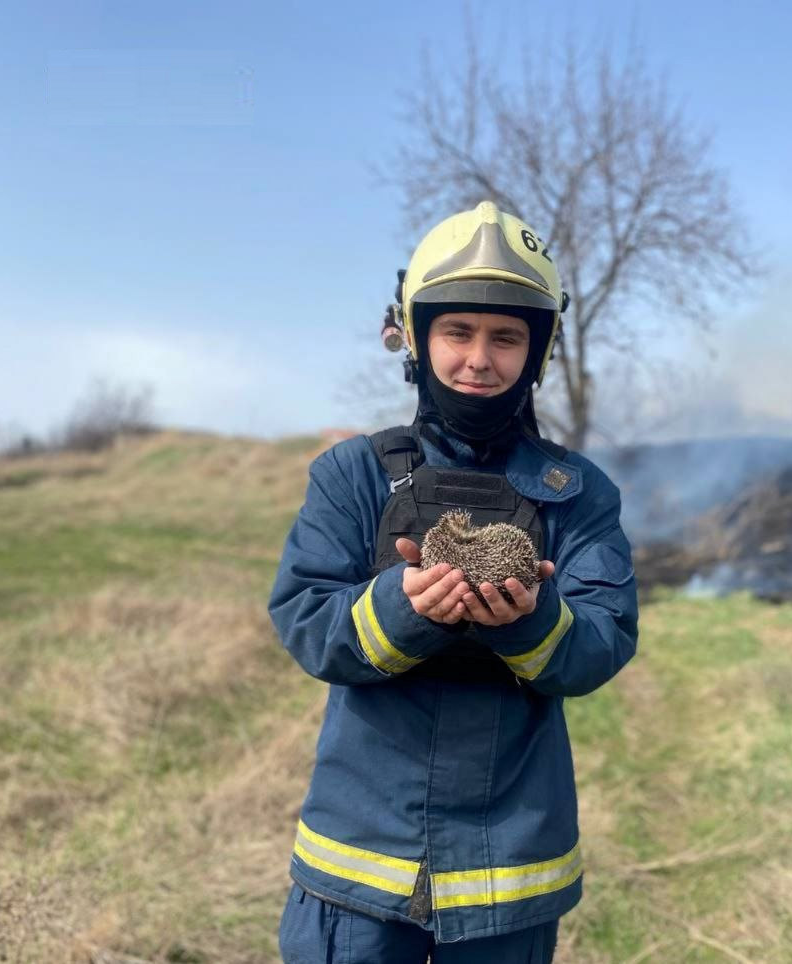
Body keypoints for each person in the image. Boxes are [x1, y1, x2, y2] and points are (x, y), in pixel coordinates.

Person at [269, 201, 639, 963]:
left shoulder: (581, 493)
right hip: (357, 871)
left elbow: (604, 638)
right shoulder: (352, 475)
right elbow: (305, 617)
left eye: (506, 336)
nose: (480, 357)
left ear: (538, 352)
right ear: (414, 335)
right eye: (457, 331)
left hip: (512, 874)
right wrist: (396, 610)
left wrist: (530, 624)